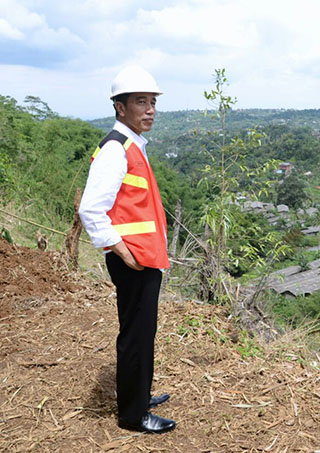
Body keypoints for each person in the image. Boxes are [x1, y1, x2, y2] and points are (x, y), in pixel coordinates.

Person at [78, 65, 176, 434]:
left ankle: (138, 394)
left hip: (143, 257)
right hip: (133, 260)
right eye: (140, 102)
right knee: (136, 335)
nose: (150, 109)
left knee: (140, 332)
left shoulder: (133, 145)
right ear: (120, 108)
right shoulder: (115, 150)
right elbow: (90, 209)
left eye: (152, 102)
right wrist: (120, 249)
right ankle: (133, 416)